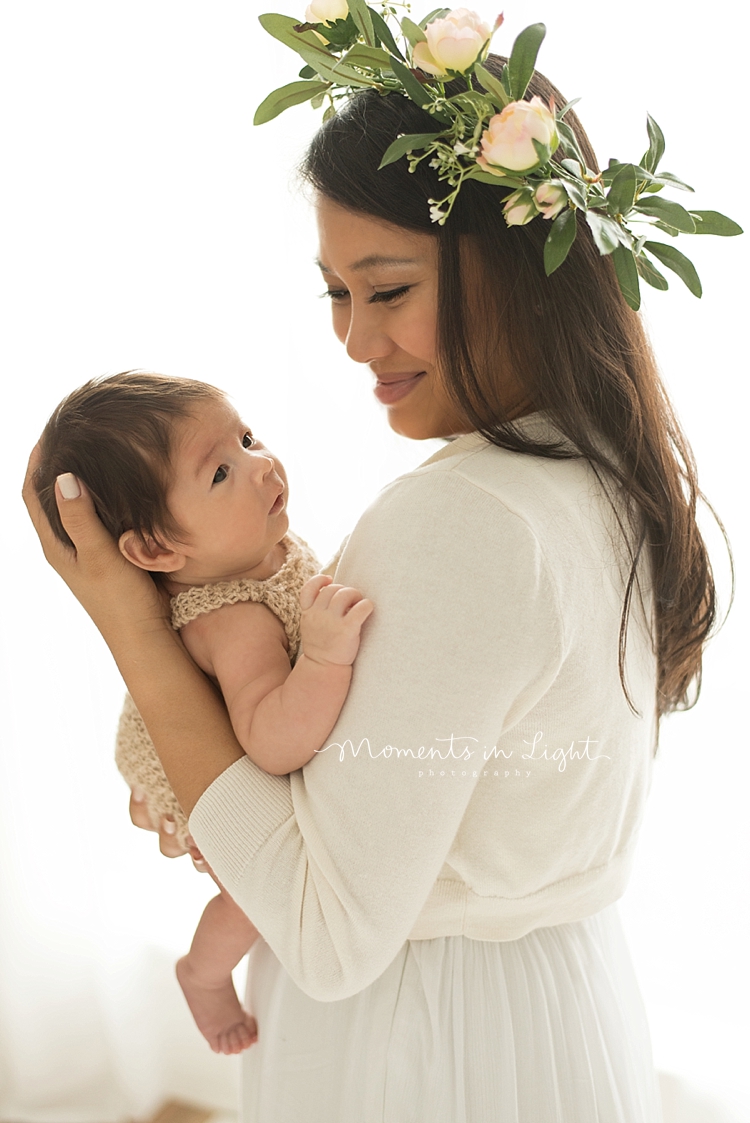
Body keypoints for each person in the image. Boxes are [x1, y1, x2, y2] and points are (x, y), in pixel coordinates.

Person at [23, 46, 727, 1123]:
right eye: (337, 293)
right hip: (553, 1003)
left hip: (425, 1043)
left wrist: (130, 626)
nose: (355, 340)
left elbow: (322, 926)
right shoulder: (603, 476)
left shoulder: (468, 517)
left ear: (510, 266)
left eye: (387, 289)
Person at [32, 371, 374, 1057]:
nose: (260, 464)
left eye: (247, 438)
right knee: (256, 893)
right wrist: (326, 656)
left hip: (212, 725)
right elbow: (274, 742)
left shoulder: (246, 549)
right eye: (221, 471)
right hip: (196, 764)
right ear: (156, 551)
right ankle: (204, 972)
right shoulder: (232, 617)